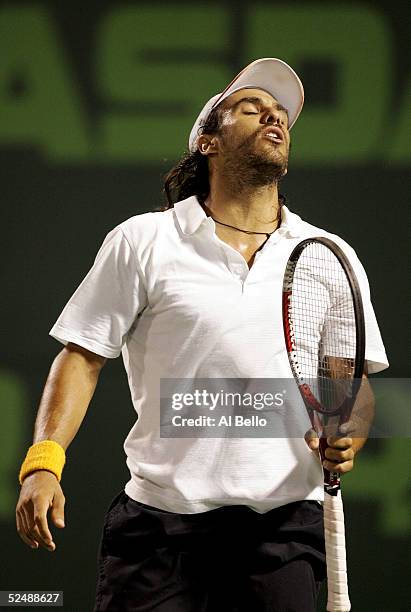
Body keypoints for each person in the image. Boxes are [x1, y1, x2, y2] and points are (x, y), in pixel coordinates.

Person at [16, 58, 389, 611]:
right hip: (158, 529)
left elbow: (346, 382)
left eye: (281, 114)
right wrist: (43, 462)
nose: (273, 118)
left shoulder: (331, 256)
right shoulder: (144, 240)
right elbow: (82, 356)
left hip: (283, 529)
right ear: (209, 143)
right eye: (251, 108)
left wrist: (347, 437)